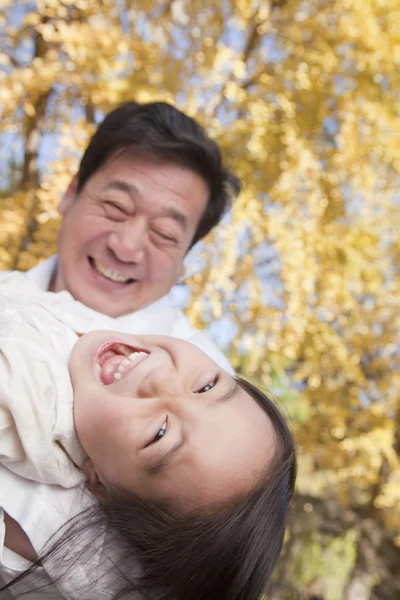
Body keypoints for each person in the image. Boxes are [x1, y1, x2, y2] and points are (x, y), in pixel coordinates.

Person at [0, 275, 297, 600]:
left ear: (100, 483)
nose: (159, 379)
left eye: (159, 433)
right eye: (207, 385)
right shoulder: (98, 330)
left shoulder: (23, 405)